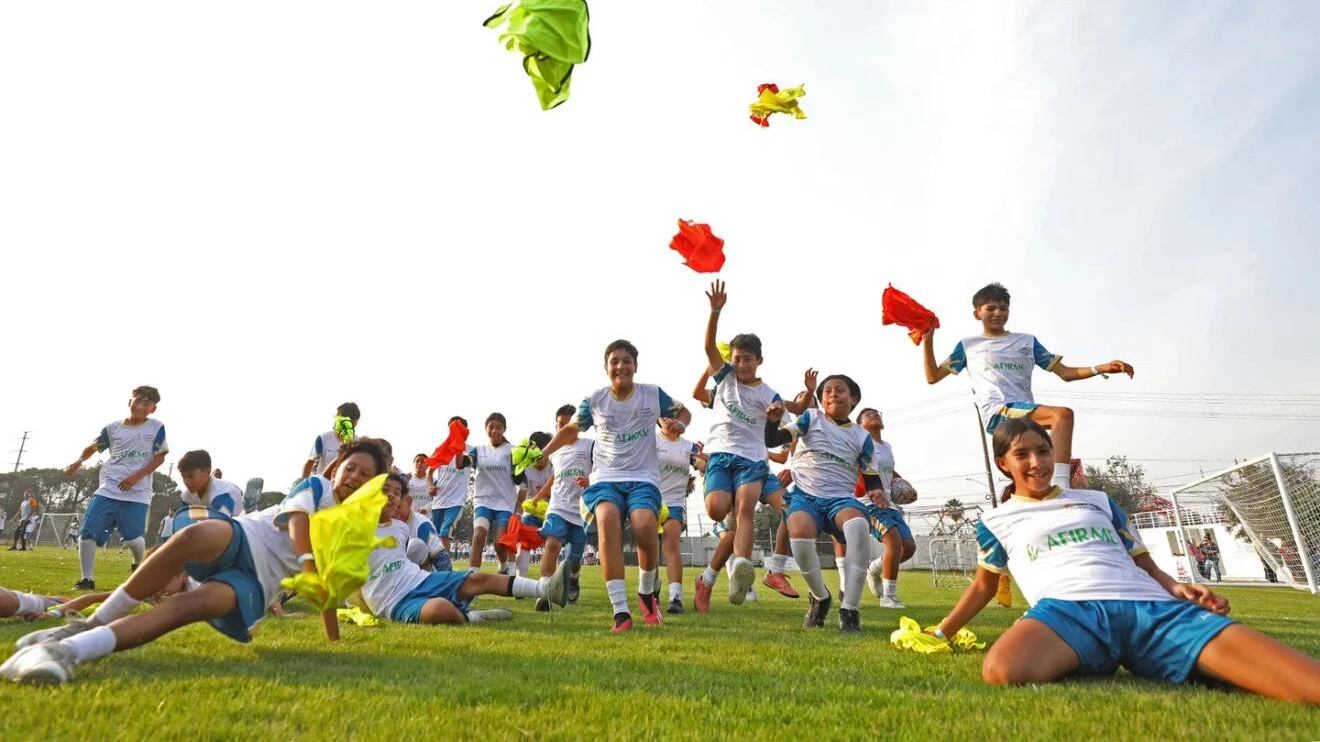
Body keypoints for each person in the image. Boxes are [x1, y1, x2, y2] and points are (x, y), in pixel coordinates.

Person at [933, 418, 1320, 703]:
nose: (1037, 462)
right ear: (1004, 464)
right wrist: (941, 633)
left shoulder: (1098, 501)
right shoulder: (995, 521)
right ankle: (1099, 651)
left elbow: (1144, 563)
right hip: (1068, 611)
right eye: (1022, 454)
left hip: (1148, 606)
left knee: (1306, 683)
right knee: (1003, 670)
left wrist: (1177, 587)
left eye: (1044, 451)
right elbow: (985, 585)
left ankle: (1150, 649)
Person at [1, 438, 388, 686]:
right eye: (350, 467)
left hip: (256, 582)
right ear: (336, 467)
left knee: (188, 607)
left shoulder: (353, 530)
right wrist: (307, 563)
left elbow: (329, 588)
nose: (354, 476)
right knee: (194, 534)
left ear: (373, 484)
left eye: (365, 474)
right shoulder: (317, 485)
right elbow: (298, 522)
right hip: (242, 538)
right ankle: (90, 623)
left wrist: (333, 641)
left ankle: (68, 652)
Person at [540, 339, 691, 633]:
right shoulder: (595, 399)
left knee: (645, 524)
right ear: (606, 368)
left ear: (635, 366)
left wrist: (680, 424)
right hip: (606, 477)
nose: (620, 366)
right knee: (607, 520)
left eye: (626, 361)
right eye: (614, 361)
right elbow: (573, 428)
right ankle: (621, 612)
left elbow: (683, 412)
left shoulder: (651, 394)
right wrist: (544, 453)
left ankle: (646, 592)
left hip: (644, 478)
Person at [922, 282, 1134, 486]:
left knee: (1034, 472)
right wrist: (928, 340)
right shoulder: (968, 346)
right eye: (991, 308)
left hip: (1025, 416)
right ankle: (1062, 484)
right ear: (977, 313)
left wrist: (1100, 368)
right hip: (998, 411)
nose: (998, 313)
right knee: (1062, 415)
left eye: (1003, 308)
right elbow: (933, 377)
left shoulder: (1027, 342)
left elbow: (1065, 373)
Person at [699, 281, 796, 605]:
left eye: (747, 359)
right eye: (737, 359)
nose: (741, 365)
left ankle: (740, 567)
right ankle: (730, 565)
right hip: (720, 456)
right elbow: (709, 348)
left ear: (759, 360)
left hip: (752, 460)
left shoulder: (768, 392)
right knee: (716, 510)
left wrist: (774, 413)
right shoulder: (724, 378)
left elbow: (781, 416)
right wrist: (715, 311)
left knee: (745, 510)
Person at [765, 374, 885, 633]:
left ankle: (850, 609)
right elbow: (774, 439)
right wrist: (771, 422)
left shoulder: (861, 436)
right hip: (805, 496)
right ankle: (820, 597)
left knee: (857, 527)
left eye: (839, 390)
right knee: (798, 531)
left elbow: (871, 475)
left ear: (853, 399)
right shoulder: (811, 418)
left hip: (840, 498)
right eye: (827, 390)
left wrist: (877, 493)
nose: (832, 394)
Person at [358, 477, 560, 626]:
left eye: (396, 492)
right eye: (385, 490)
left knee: (477, 579)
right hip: (394, 601)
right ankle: (473, 617)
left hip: (420, 580)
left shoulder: (400, 527)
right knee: (440, 608)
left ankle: (547, 590)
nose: (391, 495)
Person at [65, 386, 168, 589]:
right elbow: (94, 446)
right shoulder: (112, 428)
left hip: (137, 493)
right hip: (108, 488)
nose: (140, 406)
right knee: (87, 533)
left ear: (153, 409)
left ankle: (139, 563)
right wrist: (78, 461)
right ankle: (87, 579)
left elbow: (160, 457)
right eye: (137, 401)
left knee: (132, 538)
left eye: (146, 403)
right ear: (129, 402)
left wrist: (135, 477)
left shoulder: (156, 427)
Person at [856, 408, 917, 609]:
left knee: (908, 547)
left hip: (889, 503)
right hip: (868, 502)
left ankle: (873, 568)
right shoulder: (860, 443)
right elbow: (857, 468)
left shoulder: (887, 446)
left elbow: (889, 471)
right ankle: (888, 597)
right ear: (860, 424)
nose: (874, 415)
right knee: (893, 541)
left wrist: (904, 485)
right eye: (868, 414)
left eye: (876, 413)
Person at [532, 416, 592, 611]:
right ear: (556, 428)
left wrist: (591, 480)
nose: (565, 428)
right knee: (552, 544)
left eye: (570, 424)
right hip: (558, 507)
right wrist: (539, 496)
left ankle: (574, 578)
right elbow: (555, 476)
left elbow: (604, 468)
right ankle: (544, 591)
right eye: (561, 425)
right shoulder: (554, 452)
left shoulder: (590, 446)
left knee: (573, 559)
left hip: (581, 511)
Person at [456, 413, 526, 574]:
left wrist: (522, 462)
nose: (494, 431)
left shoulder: (513, 451)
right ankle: (472, 577)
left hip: (505, 503)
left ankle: (503, 565)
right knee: (479, 535)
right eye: (491, 427)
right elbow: (460, 464)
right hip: (483, 501)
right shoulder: (478, 451)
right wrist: (458, 443)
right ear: (486, 429)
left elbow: (519, 480)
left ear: (504, 429)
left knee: (499, 544)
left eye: (498, 427)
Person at [656, 419, 700, 614]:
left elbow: (701, 465)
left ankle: (675, 597)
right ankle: (651, 588)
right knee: (648, 547)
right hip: (649, 500)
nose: (667, 418)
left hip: (674, 503)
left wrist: (705, 462)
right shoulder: (650, 442)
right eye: (662, 416)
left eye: (671, 415)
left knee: (670, 542)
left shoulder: (689, 447)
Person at [428, 416, 473, 554]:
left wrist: (458, 445)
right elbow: (430, 472)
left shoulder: (470, 451)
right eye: (452, 429)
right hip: (439, 501)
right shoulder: (441, 449)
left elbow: (460, 464)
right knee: (434, 535)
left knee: (445, 532)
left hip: (456, 501)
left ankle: (444, 566)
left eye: (458, 429)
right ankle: (433, 565)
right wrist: (430, 485)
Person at [178, 450, 245, 519]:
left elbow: (222, 524)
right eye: (183, 477)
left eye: (191, 476)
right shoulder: (187, 496)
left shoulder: (224, 493)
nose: (186, 482)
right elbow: (182, 520)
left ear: (207, 471)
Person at [302, 402, 360, 479]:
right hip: (321, 486)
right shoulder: (323, 438)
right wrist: (304, 484)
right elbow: (310, 463)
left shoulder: (358, 443)